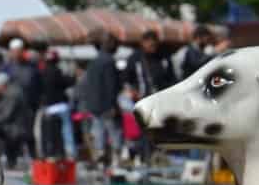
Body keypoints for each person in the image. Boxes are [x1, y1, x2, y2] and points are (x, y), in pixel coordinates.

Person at [79, 32, 123, 163]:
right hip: (107, 106)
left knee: (99, 134)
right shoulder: (109, 61)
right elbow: (111, 86)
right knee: (114, 133)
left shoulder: (94, 62)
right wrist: (113, 105)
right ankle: (116, 160)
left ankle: (101, 159)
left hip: (94, 105)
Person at [0, 72, 28, 168]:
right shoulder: (13, 91)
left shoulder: (12, 94)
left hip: (14, 128)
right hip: (13, 126)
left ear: (2, 85)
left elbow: (5, 116)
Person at [37, 50, 74, 159]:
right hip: (60, 106)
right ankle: (70, 153)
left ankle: (49, 153)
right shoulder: (57, 71)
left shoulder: (42, 73)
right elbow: (69, 82)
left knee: (49, 133)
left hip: (48, 108)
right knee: (66, 131)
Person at [124, 30, 174, 100]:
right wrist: (133, 92)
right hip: (141, 99)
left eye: (155, 45)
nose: (153, 48)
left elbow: (171, 79)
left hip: (161, 98)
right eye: (151, 45)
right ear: (143, 43)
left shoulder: (164, 58)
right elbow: (126, 80)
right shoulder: (135, 59)